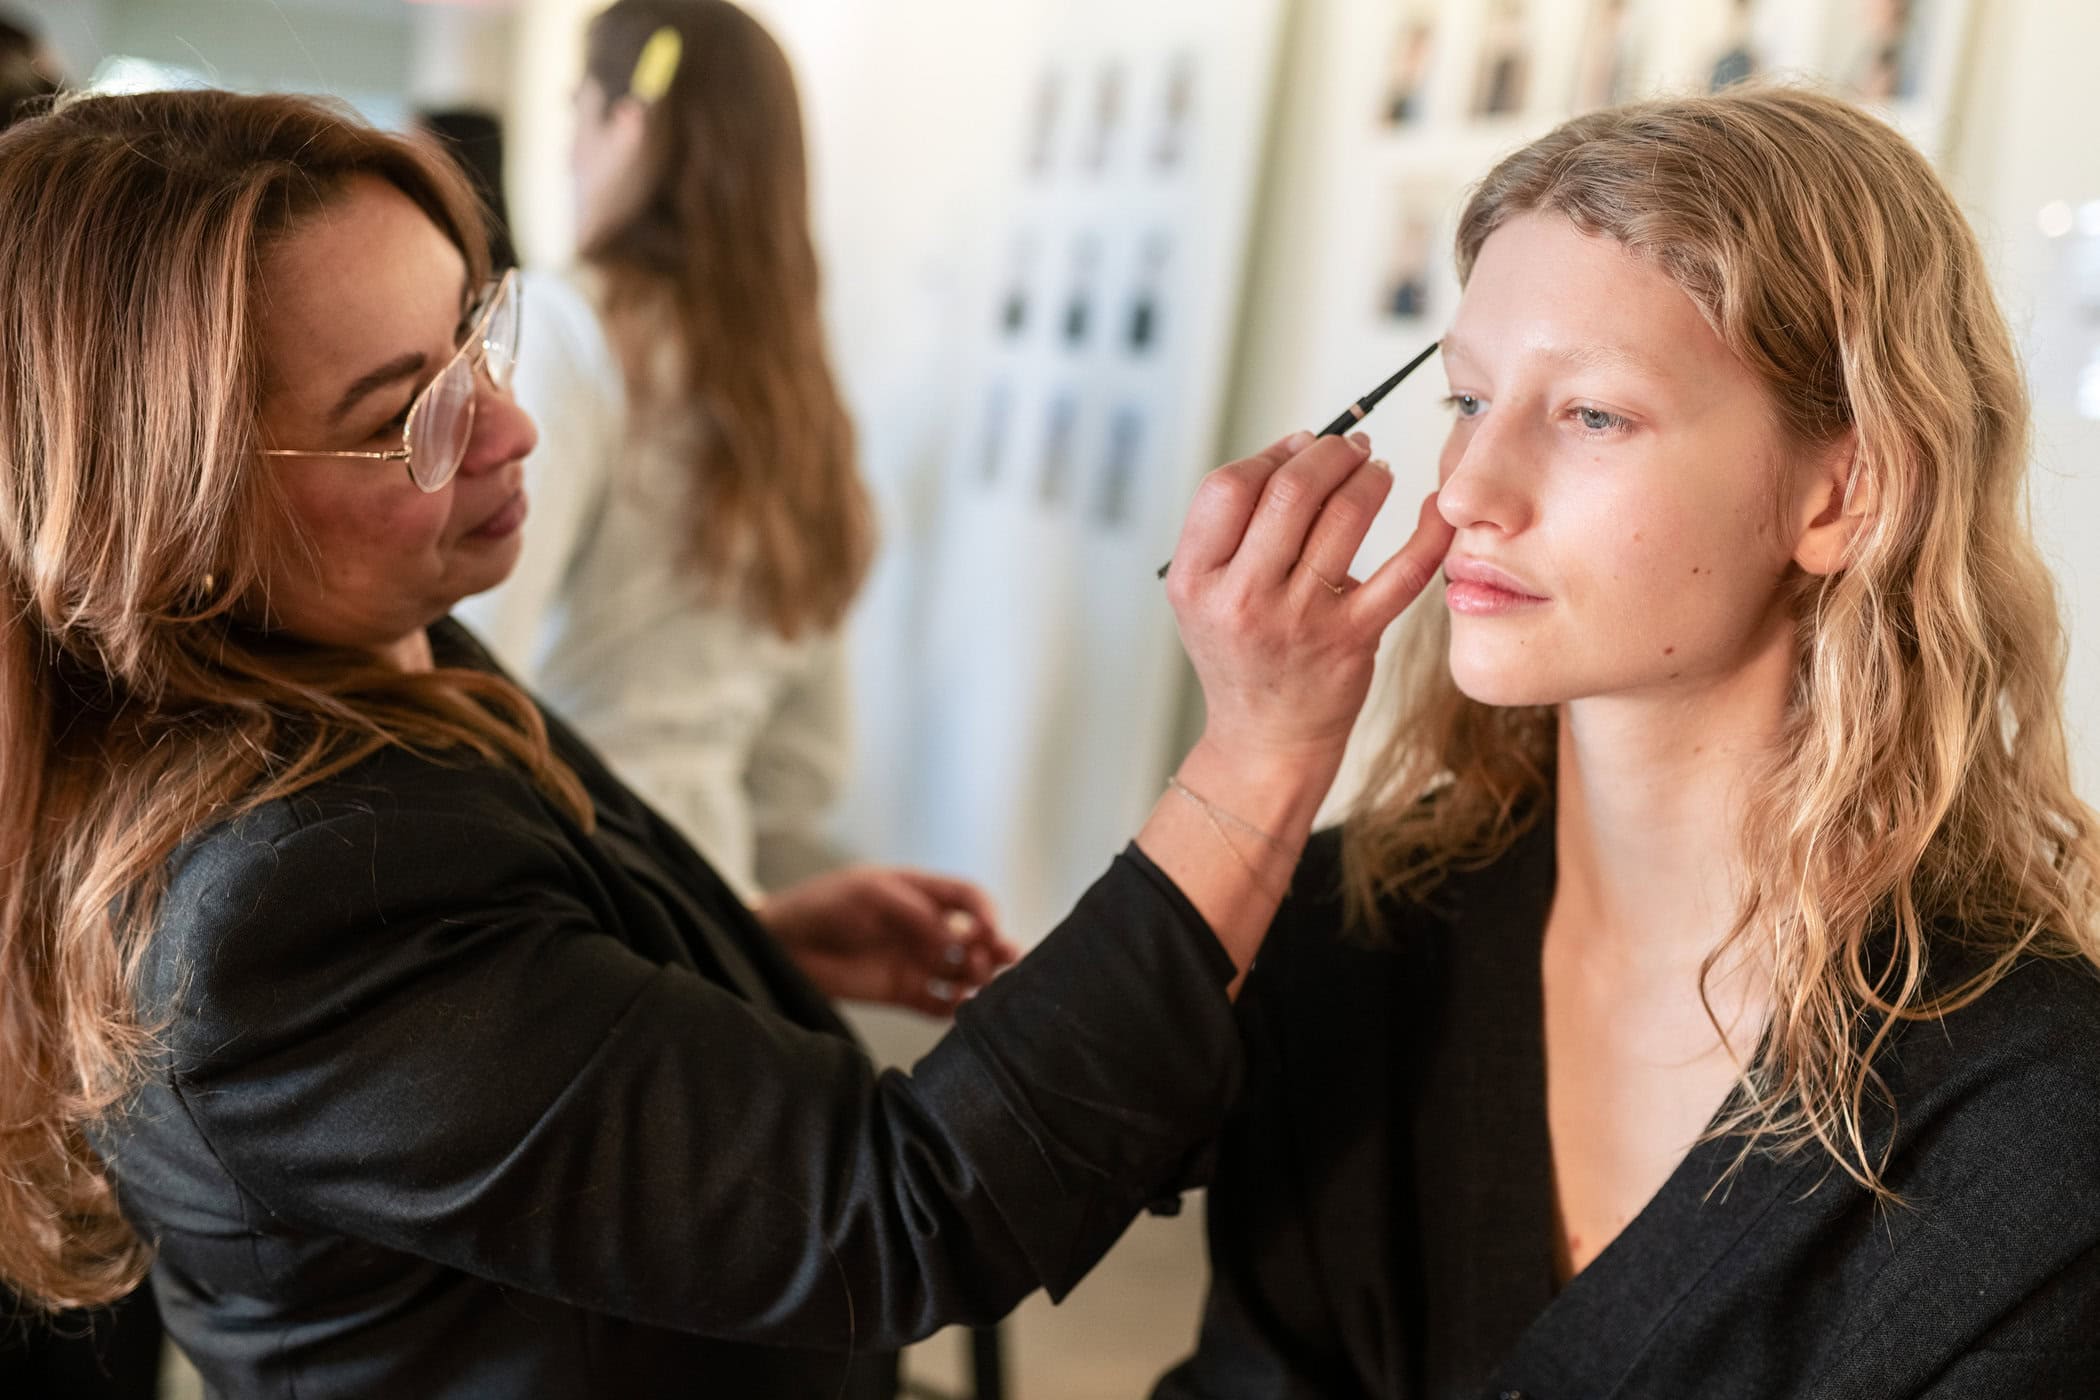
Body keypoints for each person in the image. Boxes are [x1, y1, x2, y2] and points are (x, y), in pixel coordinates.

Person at [0, 88, 1454, 1398]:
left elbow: (473, 1027)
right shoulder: (277, 904)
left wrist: (734, 945)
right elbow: (909, 1212)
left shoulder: (368, 630)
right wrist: (1259, 750)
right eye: (412, 417)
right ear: (169, 519)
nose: (507, 427)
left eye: (473, 337)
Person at [1155, 86, 2100, 1399]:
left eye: (1593, 415)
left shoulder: (2035, 1111)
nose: (1469, 492)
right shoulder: (1348, 932)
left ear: (1845, 492)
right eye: (1469, 400)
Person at [456, 0, 865, 901]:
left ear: (626, 123)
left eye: (576, 109)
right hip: (717, 901)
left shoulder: (568, 328)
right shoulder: (801, 392)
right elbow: (808, 768)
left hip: (561, 882)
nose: (566, 149)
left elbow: (473, 659)